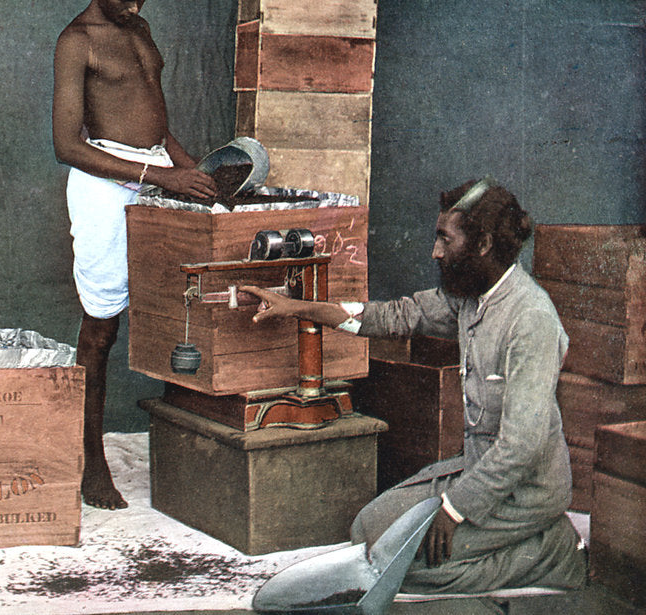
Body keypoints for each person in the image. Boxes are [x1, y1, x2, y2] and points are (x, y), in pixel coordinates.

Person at [239, 178, 587, 594]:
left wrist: (455, 509)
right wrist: (297, 308)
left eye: (445, 239)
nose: (434, 251)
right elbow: (396, 317)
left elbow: (521, 449)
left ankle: (553, 552)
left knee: (403, 569)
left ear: (483, 245)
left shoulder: (531, 319)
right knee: (367, 531)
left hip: (525, 493)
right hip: (479, 470)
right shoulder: (472, 295)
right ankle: (522, 546)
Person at [52, 0, 217, 510]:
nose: (133, 8)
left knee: (181, 309)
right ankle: (90, 461)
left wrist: (191, 167)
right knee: (101, 328)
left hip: (158, 177)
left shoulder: (140, 31)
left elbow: (155, 121)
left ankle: (190, 446)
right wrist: (161, 179)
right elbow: (66, 145)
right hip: (104, 186)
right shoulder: (76, 41)